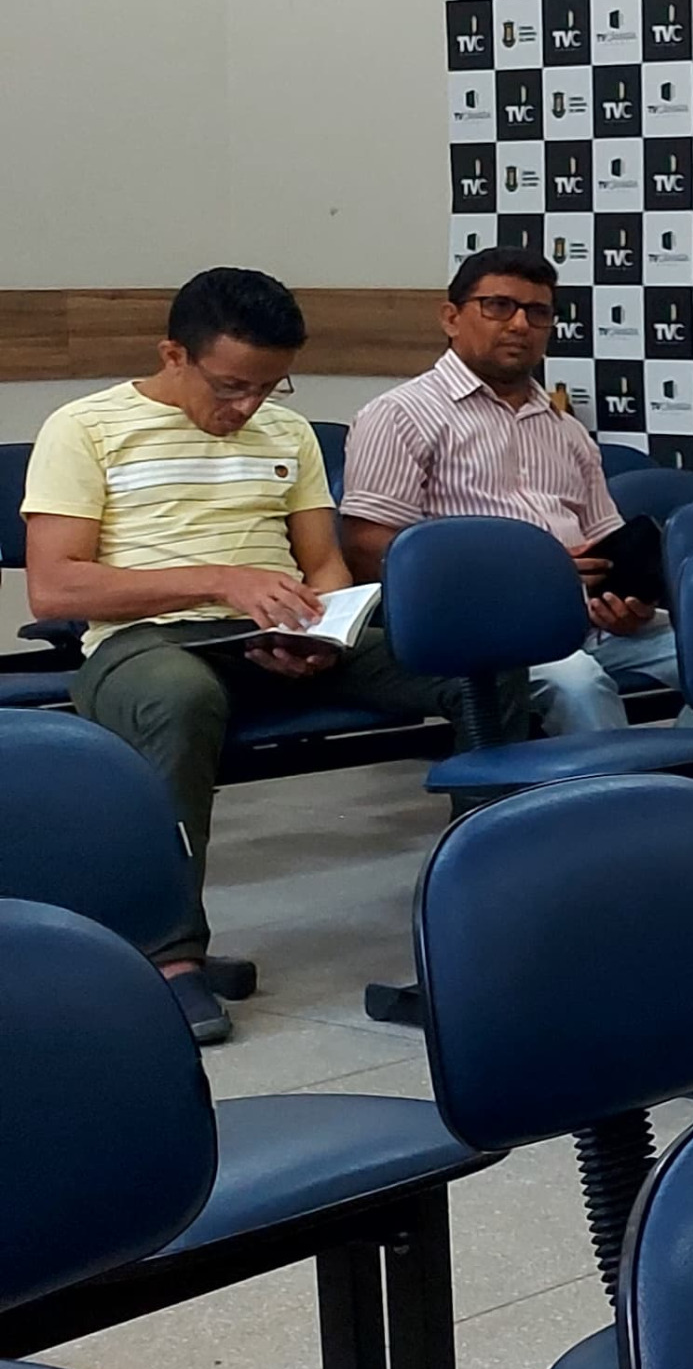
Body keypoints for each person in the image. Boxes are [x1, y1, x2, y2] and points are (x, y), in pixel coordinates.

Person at [22, 268, 461, 1043]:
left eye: (270, 387)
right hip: (145, 643)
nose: (248, 406)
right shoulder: (84, 427)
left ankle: (492, 915)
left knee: (474, 665)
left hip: (275, 635)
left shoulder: (288, 436)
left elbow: (324, 563)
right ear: (173, 354)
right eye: (231, 386)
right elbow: (56, 589)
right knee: (180, 699)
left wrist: (324, 630)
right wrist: (221, 580)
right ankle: (169, 954)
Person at [339, 246, 666, 732]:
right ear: (450, 318)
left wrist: (621, 601)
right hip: (487, 629)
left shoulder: (565, 429)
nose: (519, 324)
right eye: (498, 306)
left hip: (589, 622)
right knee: (578, 685)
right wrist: (525, 576)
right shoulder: (400, 415)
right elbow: (367, 547)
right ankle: (607, 806)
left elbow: (604, 537)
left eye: (537, 312)